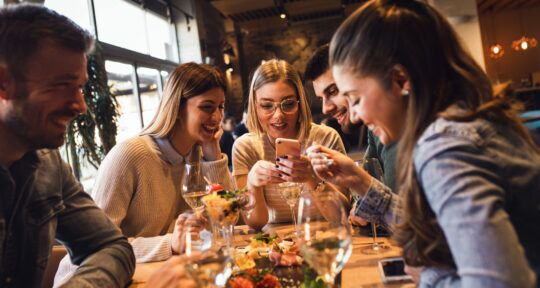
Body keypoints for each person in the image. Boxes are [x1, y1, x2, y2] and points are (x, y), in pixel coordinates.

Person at [309, 0, 539, 287]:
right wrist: (361, 182)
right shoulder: (464, 122)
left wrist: (431, 277)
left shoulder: (446, 146)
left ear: (400, 79)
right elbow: (441, 231)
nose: (354, 114)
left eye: (355, 98)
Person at [54, 63, 234, 285]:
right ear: (177, 107)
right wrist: (170, 244)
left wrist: (213, 154)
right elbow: (97, 251)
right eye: (207, 107)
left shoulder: (197, 154)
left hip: (152, 275)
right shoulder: (130, 155)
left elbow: (226, 220)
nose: (217, 117)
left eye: (221, 107)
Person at [0, 4, 135, 287]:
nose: (80, 106)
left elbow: (111, 247)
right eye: (63, 85)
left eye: (81, 87)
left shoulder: (48, 165)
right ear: (3, 84)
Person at [232, 59, 349, 230]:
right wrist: (252, 183)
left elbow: (341, 215)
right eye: (267, 106)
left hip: (324, 238)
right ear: (254, 107)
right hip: (276, 244)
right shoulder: (245, 147)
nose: (278, 115)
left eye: (288, 104)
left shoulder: (325, 138)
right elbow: (256, 223)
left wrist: (311, 178)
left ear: (300, 103)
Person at [305, 44, 399, 227]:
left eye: (333, 91)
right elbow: (366, 194)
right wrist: (359, 183)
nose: (325, 108)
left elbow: (429, 227)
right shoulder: (374, 130)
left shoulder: (437, 137)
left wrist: (362, 186)